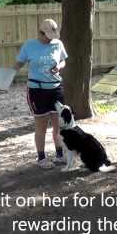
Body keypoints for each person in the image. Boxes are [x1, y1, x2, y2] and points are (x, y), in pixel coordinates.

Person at [13, 19, 68, 169]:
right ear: (40, 33)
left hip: (56, 89)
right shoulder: (29, 46)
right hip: (37, 90)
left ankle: (59, 155)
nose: (51, 39)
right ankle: (41, 158)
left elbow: (63, 60)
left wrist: (59, 66)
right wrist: (7, 76)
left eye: (53, 36)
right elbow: (19, 63)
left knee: (58, 125)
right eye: (48, 36)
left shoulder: (58, 43)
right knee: (41, 125)